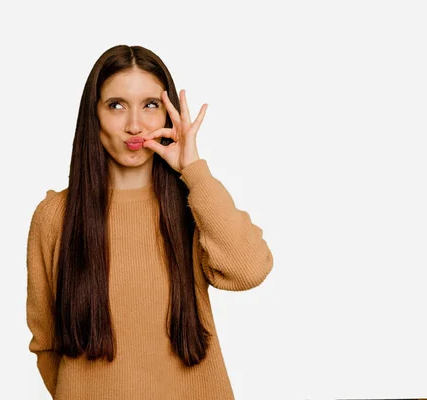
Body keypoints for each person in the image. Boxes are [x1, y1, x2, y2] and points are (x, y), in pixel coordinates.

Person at [26, 44, 274, 400]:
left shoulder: (197, 203)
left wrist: (194, 171)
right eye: (116, 106)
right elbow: (46, 344)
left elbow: (249, 270)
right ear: (93, 118)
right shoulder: (55, 217)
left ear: (167, 115)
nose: (135, 125)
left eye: (150, 105)